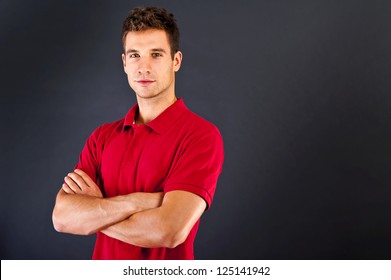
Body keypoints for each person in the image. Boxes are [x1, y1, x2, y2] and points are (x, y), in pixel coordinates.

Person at [52, 6, 224, 260]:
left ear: (175, 61)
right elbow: (62, 218)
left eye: (155, 54)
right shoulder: (102, 138)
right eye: (134, 55)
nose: (143, 67)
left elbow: (169, 230)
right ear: (124, 63)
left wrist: (97, 213)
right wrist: (137, 202)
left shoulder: (200, 136)